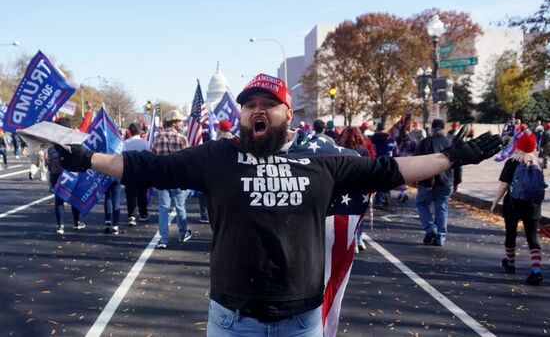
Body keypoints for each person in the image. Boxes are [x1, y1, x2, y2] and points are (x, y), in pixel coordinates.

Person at [56, 73, 501, 336]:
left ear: (288, 115)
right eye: (249, 104)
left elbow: (391, 171)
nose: (256, 109)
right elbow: (147, 167)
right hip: (233, 318)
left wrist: (454, 157)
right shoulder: (216, 157)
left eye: (268, 103)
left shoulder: (323, 164)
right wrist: (87, 157)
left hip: (302, 320)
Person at [491, 133, 544, 285]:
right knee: (532, 237)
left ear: (518, 146)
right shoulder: (536, 164)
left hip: (513, 203)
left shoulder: (512, 162)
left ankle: (510, 263)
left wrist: (495, 202)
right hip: (533, 205)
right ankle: (536, 270)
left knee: (511, 234)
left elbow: (504, 185)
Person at [151, 109, 192, 249]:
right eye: (180, 121)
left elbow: (152, 158)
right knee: (180, 207)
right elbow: (187, 160)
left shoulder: (157, 138)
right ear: (174, 123)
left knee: (163, 208)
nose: (182, 123)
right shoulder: (181, 138)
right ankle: (183, 232)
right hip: (177, 177)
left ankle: (163, 239)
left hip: (162, 177)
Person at [414, 119, 455, 246]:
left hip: (428, 180)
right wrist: (457, 180)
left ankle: (430, 228)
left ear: (432, 128)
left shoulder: (425, 142)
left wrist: (416, 178)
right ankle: (440, 237)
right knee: (442, 207)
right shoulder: (450, 143)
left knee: (422, 204)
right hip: (447, 180)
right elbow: (458, 163)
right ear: (443, 128)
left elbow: (416, 161)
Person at [45, 118, 86, 234]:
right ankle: (76, 222)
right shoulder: (74, 140)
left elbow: (48, 159)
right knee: (74, 198)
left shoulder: (52, 141)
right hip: (71, 173)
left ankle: (60, 226)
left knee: (59, 200)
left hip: (55, 173)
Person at [339, 126, 375, 253]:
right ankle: (359, 240)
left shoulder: (341, 150)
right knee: (359, 214)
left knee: (348, 215)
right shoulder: (364, 150)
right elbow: (370, 168)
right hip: (362, 185)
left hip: (346, 186)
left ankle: (353, 241)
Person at [123, 123, 150, 226]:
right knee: (142, 194)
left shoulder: (125, 143)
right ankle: (143, 213)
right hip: (142, 171)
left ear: (130, 131)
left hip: (129, 171)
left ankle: (131, 215)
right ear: (140, 131)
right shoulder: (145, 143)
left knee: (130, 195)